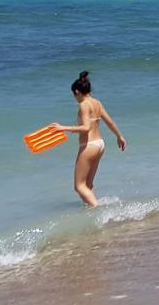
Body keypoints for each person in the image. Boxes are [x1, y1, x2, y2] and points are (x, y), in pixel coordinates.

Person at [50, 71, 126, 207]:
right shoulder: (97, 103)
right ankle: (92, 213)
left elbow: (86, 128)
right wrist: (119, 136)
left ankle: (98, 210)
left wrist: (63, 128)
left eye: (74, 95)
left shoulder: (84, 104)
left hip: (89, 145)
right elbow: (110, 122)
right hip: (100, 144)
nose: (75, 98)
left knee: (79, 186)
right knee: (88, 184)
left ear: (77, 92)